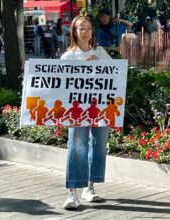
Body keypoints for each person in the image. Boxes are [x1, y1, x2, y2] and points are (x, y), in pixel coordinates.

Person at [60, 15, 112, 209]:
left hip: (100, 108)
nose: (86, 32)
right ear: (74, 31)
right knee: (77, 145)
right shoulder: (68, 57)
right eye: (81, 28)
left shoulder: (100, 52)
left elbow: (113, 75)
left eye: (89, 28)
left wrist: (98, 65)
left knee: (98, 145)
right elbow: (64, 86)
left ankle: (89, 187)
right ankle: (72, 193)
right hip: (77, 110)